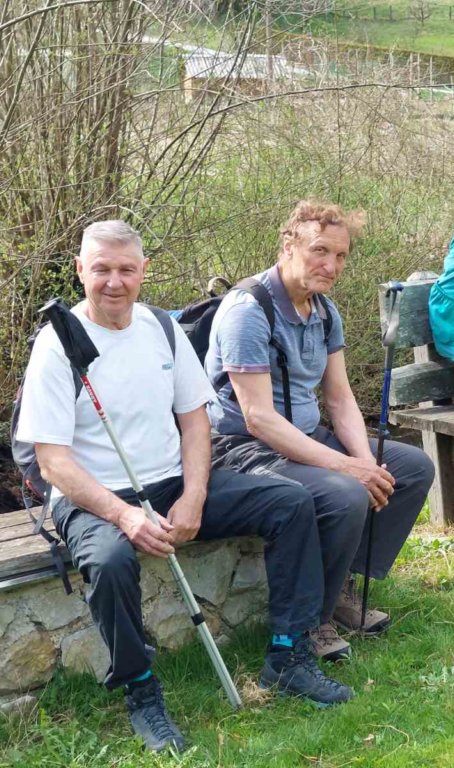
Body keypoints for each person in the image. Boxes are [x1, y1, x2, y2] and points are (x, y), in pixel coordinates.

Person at [15, 221, 352, 754]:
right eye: (101, 269)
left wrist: (194, 494)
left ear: (144, 271)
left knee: (289, 501)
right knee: (109, 561)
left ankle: (289, 655)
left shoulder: (161, 328)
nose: (114, 281)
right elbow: (53, 461)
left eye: (126, 269)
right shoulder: (57, 345)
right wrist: (125, 517)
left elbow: (196, 422)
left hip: (173, 483)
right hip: (93, 498)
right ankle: (140, 691)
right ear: (81, 270)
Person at [205, 200, 434, 660]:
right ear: (288, 245)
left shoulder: (325, 311)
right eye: (319, 251)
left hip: (303, 438)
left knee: (410, 467)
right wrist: (348, 469)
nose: (331, 265)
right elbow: (258, 418)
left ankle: (344, 585)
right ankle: (313, 622)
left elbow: (340, 398)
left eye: (341, 256)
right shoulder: (248, 311)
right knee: (344, 492)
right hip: (243, 450)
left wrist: (367, 464)